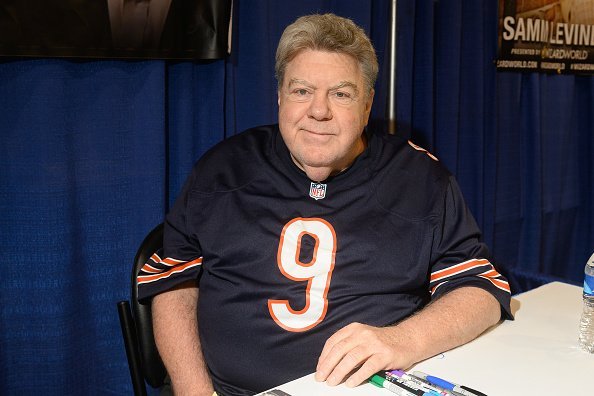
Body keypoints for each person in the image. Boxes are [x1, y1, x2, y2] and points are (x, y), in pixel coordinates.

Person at [138, 13, 513, 396]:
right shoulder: (223, 170)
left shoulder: (419, 179)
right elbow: (173, 284)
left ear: (367, 106)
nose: (319, 111)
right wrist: (195, 392)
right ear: (280, 96)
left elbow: (482, 289)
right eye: (302, 91)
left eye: (341, 94)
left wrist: (403, 340)